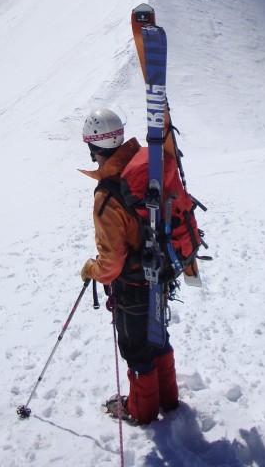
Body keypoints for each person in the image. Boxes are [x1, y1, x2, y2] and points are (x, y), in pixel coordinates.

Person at [79, 108, 179, 425]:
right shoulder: (145, 167)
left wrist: (91, 269)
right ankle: (169, 398)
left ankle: (142, 411)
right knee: (158, 339)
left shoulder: (107, 195)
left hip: (133, 287)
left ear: (93, 147)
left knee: (136, 350)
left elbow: (110, 266)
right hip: (160, 273)